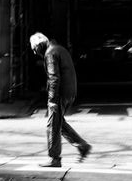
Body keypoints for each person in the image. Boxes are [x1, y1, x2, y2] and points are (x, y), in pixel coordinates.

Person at [30, 32, 91, 167]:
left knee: (52, 125)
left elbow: (54, 78)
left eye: (34, 48)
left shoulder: (50, 53)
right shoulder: (59, 49)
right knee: (59, 123)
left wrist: (52, 99)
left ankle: (54, 159)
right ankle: (82, 146)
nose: (35, 53)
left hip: (60, 94)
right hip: (70, 92)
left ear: (40, 45)